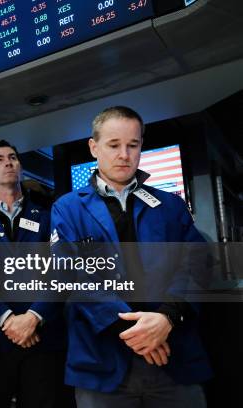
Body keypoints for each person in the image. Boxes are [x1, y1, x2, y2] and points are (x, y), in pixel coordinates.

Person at [50, 106, 212, 407]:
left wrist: (168, 317)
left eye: (133, 145)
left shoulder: (170, 205)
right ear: (94, 147)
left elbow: (196, 264)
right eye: (114, 145)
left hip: (173, 358)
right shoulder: (67, 208)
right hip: (102, 365)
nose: (124, 154)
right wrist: (138, 334)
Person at [0, 140, 73, 408]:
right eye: (0, 159)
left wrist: (33, 317)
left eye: (13, 157)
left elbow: (61, 272)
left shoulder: (49, 218)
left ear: (21, 168)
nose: (8, 162)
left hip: (43, 339)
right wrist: (7, 320)